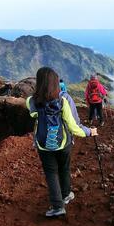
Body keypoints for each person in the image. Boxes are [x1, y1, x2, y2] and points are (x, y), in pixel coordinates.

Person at [26, 67, 98, 217]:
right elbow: (73, 126)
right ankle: (66, 195)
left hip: (43, 145)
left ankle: (57, 206)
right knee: (64, 168)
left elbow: (33, 113)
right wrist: (90, 131)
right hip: (63, 143)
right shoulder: (64, 99)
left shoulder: (32, 100)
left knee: (51, 173)